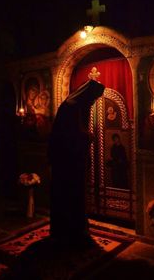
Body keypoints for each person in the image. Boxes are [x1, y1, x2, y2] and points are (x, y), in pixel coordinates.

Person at [48, 79, 105, 248]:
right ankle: (72, 233)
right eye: (94, 98)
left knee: (71, 196)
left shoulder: (73, 106)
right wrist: (88, 137)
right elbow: (69, 136)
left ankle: (71, 231)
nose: (94, 102)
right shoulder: (72, 107)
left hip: (71, 161)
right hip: (68, 163)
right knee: (71, 196)